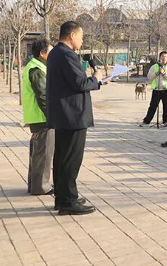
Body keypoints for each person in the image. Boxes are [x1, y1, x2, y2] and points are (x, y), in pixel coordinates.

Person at [47, 21, 105, 215]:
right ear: (71, 35)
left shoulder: (56, 52)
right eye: (81, 36)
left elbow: (73, 82)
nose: (82, 40)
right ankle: (68, 201)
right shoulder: (67, 55)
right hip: (72, 116)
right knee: (70, 160)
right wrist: (96, 78)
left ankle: (63, 196)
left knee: (62, 159)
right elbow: (79, 83)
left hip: (64, 115)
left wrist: (96, 82)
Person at [22, 39, 54, 196]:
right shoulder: (36, 69)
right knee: (43, 153)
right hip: (41, 117)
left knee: (38, 153)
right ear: (42, 53)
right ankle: (41, 186)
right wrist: (52, 117)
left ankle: (35, 184)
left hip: (37, 116)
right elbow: (43, 96)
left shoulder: (36, 66)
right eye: (51, 52)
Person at [141, 51, 167, 127]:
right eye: (162, 56)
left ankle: (165, 121)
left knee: (166, 106)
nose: (164, 58)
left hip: (166, 89)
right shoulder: (154, 66)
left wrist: (164, 73)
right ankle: (146, 121)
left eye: (165, 57)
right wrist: (157, 73)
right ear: (159, 57)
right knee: (153, 106)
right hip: (157, 89)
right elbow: (149, 77)